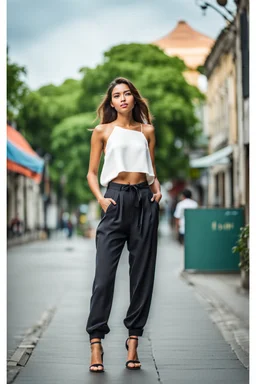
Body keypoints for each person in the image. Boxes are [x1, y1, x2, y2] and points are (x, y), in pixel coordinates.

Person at [86, 77, 162, 373]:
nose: (122, 99)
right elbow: (92, 173)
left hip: (144, 202)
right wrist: (101, 200)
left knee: (142, 276)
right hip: (114, 201)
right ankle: (96, 342)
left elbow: (152, 171)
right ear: (111, 102)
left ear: (133, 98)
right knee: (104, 277)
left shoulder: (147, 131)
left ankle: (133, 340)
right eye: (116, 95)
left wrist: (157, 190)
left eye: (127, 93)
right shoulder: (102, 131)